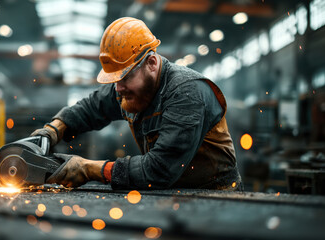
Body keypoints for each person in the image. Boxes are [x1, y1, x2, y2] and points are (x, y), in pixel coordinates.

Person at [31, 17, 242, 190]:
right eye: (114, 80)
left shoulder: (187, 92)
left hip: (215, 195)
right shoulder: (129, 89)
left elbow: (159, 170)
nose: (118, 88)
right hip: (172, 194)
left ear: (151, 63)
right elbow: (92, 107)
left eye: (124, 78)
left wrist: (89, 168)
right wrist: (52, 130)